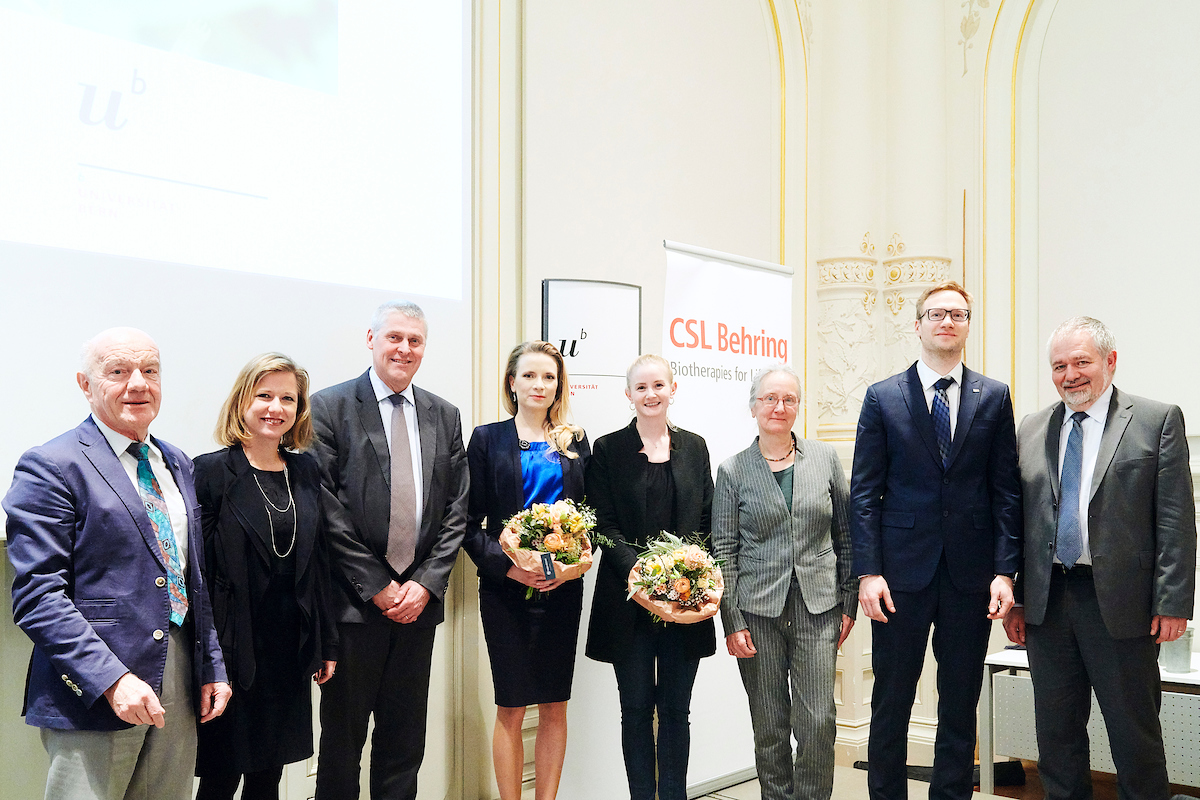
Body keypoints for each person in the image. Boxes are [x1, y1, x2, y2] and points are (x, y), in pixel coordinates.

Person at [4, 327, 230, 800]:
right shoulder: (51, 464)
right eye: (119, 372)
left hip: (179, 675)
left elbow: (191, 576)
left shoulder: (176, 462)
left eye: (150, 371)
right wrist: (112, 680)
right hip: (98, 684)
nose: (138, 384)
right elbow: (38, 596)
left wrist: (211, 665)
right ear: (86, 385)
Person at [1003, 316, 1196, 800]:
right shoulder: (1031, 427)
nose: (1070, 375)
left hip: (1122, 608)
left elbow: (1175, 520)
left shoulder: (1156, 419)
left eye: (1082, 362)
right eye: (1059, 365)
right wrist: (1021, 600)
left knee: (1135, 739)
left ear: (1110, 361)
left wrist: (1173, 602)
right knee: (1057, 738)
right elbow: (1024, 523)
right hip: (1049, 607)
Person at [849, 280, 1021, 800]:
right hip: (899, 576)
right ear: (918, 324)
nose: (947, 321)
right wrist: (869, 572)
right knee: (892, 700)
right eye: (937, 313)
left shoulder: (993, 396)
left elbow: (1006, 492)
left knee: (959, 699)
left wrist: (1004, 570)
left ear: (968, 325)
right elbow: (864, 493)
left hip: (970, 577)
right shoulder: (883, 397)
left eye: (958, 314)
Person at [311, 301, 469, 800]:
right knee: (342, 743)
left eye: (415, 340)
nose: (404, 349)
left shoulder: (445, 415)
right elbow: (326, 509)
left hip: (417, 611)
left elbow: (457, 510)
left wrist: (425, 585)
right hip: (354, 609)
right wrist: (379, 587)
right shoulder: (328, 408)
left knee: (404, 743)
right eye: (394, 338)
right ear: (371, 339)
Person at [193, 353, 339, 800]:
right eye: (265, 395)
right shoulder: (211, 471)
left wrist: (326, 642)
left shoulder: (306, 469)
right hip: (233, 647)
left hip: (288, 646)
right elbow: (196, 571)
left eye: (288, 399)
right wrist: (207, 657)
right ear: (243, 401)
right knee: (220, 776)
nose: (276, 407)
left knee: (268, 775)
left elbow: (320, 565)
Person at [712, 364, 856, 800]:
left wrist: (848, 604)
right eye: (770, 398)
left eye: (789, 399)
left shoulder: (826, 459)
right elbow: (724, 550)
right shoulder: (734, 470)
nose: (779, 406)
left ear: (798, 407)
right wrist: (731, 619)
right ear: (753, 406)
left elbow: (846, 536)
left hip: (819, 607)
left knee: (818, 722)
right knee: (770, 722)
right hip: (757, 613)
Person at [584, 354, 716, 800]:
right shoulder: (607, 449)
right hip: (628, 602)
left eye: (658, 385)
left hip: (686, 599)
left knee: (677, 711)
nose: (651, 394)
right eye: (641, 387)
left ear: (673, 389)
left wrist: (687, 576)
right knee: (636, 711)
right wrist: (641, 576)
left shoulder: (695, 447)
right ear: (628, 395)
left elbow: (705, 518)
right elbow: (602, 523)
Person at [462, 341, 589, 800]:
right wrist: (508, 569)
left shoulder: (574, 440)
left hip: (562, 589)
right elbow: (467, 524)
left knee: (555, 703)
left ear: (559, 386)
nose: (540, 385)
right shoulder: (486, 439)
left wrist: (573, 567)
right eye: (530, 376)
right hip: (505, 592)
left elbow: (586, 520)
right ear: (511, 383)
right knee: (511, 705)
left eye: (549, 377)